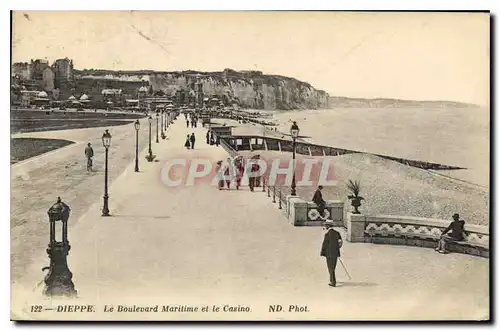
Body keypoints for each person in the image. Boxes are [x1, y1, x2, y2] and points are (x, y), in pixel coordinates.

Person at [321, 220, 343, 287]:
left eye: (326, 225)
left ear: (328, 226)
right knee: (333, 267)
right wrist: (337, 249)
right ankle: (332, 279)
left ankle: (333, 282)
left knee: (330, 268)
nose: (325, 226)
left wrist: (322, 252)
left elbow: (324, 244)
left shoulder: (327, 234)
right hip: (335, 253)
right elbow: (340, 243)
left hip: (329, 254)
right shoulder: (337, 233)